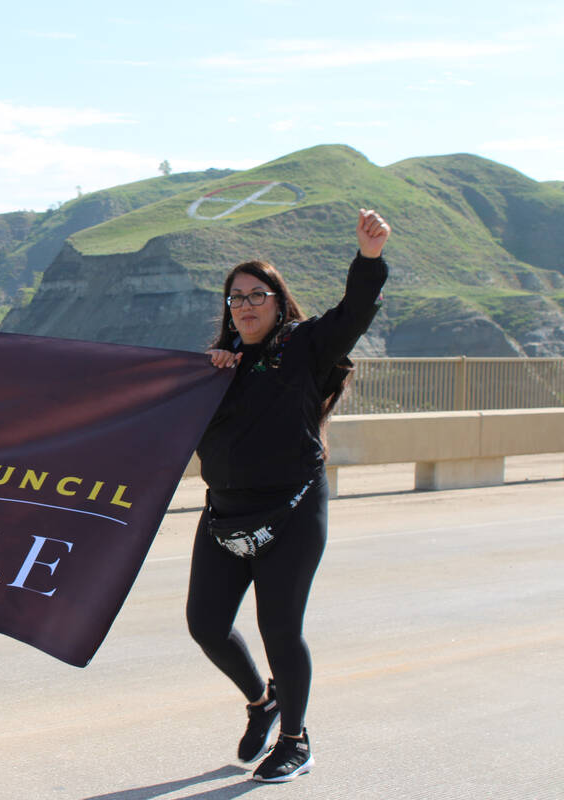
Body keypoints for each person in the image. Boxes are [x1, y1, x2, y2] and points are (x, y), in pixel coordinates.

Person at [187, 209, 390, 782]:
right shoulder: (214, 369)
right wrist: (214, 373)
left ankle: (296, 741)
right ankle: (262, 701)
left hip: (293, 512)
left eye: (258, 294)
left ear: (278, 301)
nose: (246, 305)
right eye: (236, 298)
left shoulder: (304, 347)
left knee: (280, 628)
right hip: (224, 517)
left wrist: (368, 259)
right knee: (205, 625)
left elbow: (354, 314)